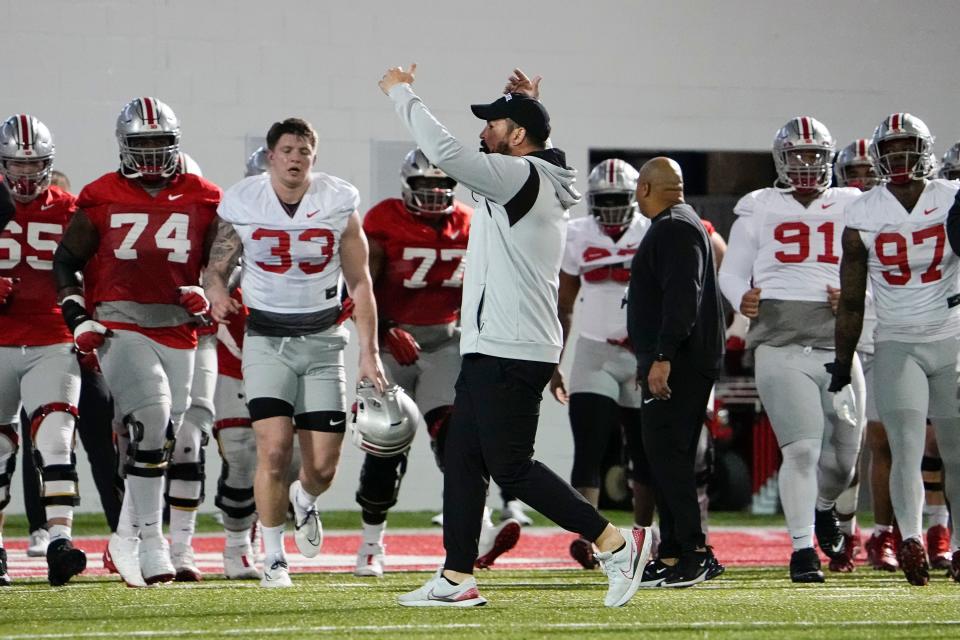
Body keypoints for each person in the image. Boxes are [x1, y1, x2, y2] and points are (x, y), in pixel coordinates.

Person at [380, 65, 649, 608]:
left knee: (511, 466)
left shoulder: (520, 176)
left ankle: (617, 542)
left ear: (518, 137)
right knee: (463, 458)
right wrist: (520, 102)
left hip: (509, 346)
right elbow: (531, 152)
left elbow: (449, 154)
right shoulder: (534, 173)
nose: (484, 133)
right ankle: (456, 578)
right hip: (496, 344)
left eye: (495, 125)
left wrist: (401, 94)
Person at [204, 117, 386, 589]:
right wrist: (218, 291)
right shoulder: (244, 200)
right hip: (266, 340)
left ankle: (304, 498)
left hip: (324, 340)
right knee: (273, 450)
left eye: (304, 150)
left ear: (313, 157)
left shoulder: (336, 202)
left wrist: (370, 353)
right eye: (287, 150)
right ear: (271, 156)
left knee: (322, 467)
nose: (295, 158)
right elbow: (216, 265)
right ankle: (274, 557)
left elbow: (361, 281)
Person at [53, 97, 222, 587]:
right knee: (150, 421)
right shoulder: (100, 194)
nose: (150, 154)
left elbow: (227, 266)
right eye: (140, 144)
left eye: (159, 143)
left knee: (162, 437)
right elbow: (66, 261)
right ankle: (152, 543)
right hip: (120, 322)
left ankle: (126, 535)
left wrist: (208, 293)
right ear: (124, 146)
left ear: (176, 144)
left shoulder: (205, 195)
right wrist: (78, 314)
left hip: (179, 329)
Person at [353, 148, 522, 578]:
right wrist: (385, 328)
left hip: (445, 342)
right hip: (392, 344)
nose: (434, 194)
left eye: (442, 185)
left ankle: (479, 530)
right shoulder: (383, 219)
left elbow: (489, 285)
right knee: (385, 445)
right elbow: (363, 286)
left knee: (456, 439)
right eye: (425, 185)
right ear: (407, 186)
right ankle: (371, 545)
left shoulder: (469, 222)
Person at [718, 117, 866, 583]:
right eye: (796, 155)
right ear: (780, 160)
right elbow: (733, 269)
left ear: (829, 159)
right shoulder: (760, 206)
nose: (805, 164)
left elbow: (876, 263)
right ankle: (803, 551)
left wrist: (856, 291)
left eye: (814, 156)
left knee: (844, 459)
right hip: (780, 343)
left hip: (837, 344)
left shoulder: (852, 203)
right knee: (801, 450)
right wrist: (741, 294)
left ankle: (825, 508)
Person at [836, 112, 960, 586]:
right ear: (877, 155)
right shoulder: (863, 211)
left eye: (907, 146)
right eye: (889, 149)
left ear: (927, 149)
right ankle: (910, 538)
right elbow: (850, 300)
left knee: (955, 451)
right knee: (905, 446)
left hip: (949, 334)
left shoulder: (950, 197)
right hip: (896, 340)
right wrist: (842, 361)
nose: (899, 156)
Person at [626, 157, 725, 588]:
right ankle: (671, 552)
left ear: (645, 188)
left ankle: (695, 551)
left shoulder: (674, 227)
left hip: (681, 361)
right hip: (678, 358)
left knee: (668, 454)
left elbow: (684, 296)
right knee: (664, 456)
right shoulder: (680, 223)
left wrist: (662, 355)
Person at [550, 158, 651, 569]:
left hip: (642, 355)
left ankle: (644, 536)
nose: (610, 207)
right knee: (588, 448)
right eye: (603, 200)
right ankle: (591, 538)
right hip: (595, 352)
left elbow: (713, 251)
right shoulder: (576, 234)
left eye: (618, 199)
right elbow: (564, 306)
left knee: (644, 454)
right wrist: (554, 360)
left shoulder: (651, 230)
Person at [0, 114, 88, 586]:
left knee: (56, 437)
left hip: (53, 337)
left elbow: (93, 272)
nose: (26, 175)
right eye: (16, 164)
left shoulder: (72, 210)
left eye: (35, 165)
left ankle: (59, 539)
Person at [830, 139, 881, 572]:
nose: (861, 182)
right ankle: (846, 530)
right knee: (849, 445)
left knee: (896, 444)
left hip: (892, 335)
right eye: (854, 174)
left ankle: (903, 531)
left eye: (869, 172)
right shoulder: (835, 213)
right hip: (846, 340)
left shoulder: (904, 214)